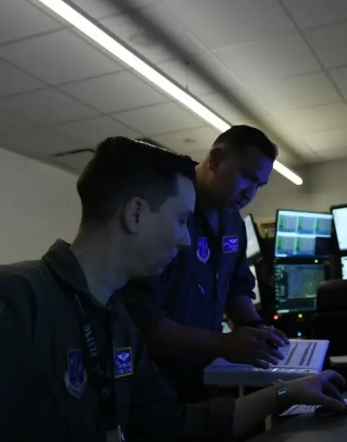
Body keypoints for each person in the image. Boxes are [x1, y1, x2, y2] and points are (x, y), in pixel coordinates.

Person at [0, 137, 345, 441]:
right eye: (180, 220)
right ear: (135, 215)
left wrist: (285, 394)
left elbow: (172, 426)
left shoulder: (117, 325)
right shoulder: (10, 300)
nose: (185, 238)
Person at [121, 126, 288, 402]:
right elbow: (140, 318)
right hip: (152, 382)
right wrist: (224, 343)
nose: (250, 193)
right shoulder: (165, 202)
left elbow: (236, 288)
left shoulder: (233, 222)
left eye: (259, 185)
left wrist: (256, 327)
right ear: (215, 159)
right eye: (247, 178)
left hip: (203, 377)